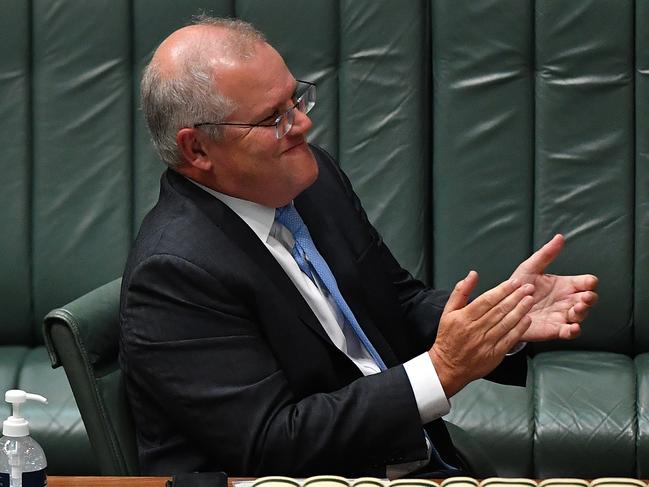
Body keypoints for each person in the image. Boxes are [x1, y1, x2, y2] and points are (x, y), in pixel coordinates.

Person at [119, 16, 598, 478]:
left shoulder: (311, 180)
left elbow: (396, 301)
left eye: (296, 101)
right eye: (273, 119)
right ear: (197, 149)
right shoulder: (173, 273)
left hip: (408, 460)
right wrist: (444, 369)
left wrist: (504, 318)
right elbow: (272, 445)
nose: (302, 126)